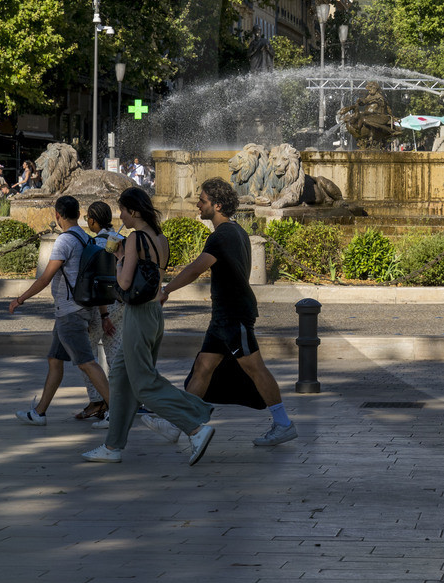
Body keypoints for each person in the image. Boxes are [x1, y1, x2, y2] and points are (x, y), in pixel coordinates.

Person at [82, 186, 216, 465]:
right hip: (155, 312)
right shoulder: (161, 238)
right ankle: (112, 446)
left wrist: (118, 259)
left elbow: (125, 283)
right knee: (120, 379)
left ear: (134, 211)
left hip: (138, 314)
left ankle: (195, 425)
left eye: (122, 210)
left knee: (143, 383)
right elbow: (155, 277)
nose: (120, 215)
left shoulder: (134, 240)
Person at [160, 178, 298, 446]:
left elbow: (195, 268)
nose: (197, 204)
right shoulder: (236, 231)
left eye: (202, 200)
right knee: (203, 366)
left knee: (255, 368)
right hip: (223, 316)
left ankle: (283, 423)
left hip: (233, 315)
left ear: (217, 205)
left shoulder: (221, 235)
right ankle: (178, 424)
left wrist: (166, 290)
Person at [7, 195, 111, 427]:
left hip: (70, 312)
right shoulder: (86, 237)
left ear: (57, 215)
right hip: (79, 308)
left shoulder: (64, 241)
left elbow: (46, 277)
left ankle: (115, 410)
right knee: (55, 359)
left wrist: (20, 299)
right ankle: (39, 413)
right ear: (78, 213)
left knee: (87, 363)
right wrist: (103, 314)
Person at [75, 201, 125, 422]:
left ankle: (97, 400)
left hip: (102, 307)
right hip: (122, 304)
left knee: (87, 355)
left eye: (88, 219)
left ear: (93, 220)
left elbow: (99, 281)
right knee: (115, 354)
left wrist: (104, 315)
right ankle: (121, 399)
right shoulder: (121, 240)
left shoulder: (94, 244)